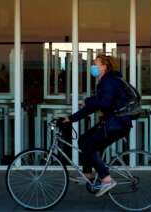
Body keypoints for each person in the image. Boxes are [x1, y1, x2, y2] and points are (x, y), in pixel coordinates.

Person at [61, 54, 133, 197]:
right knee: (83, 140)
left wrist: (88, 103)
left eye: (95, 64)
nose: (92, 67)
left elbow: (104, 103)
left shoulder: (109, 80)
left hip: (116, 123)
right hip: (113, 122)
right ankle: (88, 174)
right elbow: (95, 104)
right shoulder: (106, 81)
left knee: (89, 145)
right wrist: (71, 118)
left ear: (104, 66)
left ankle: (107, 180)